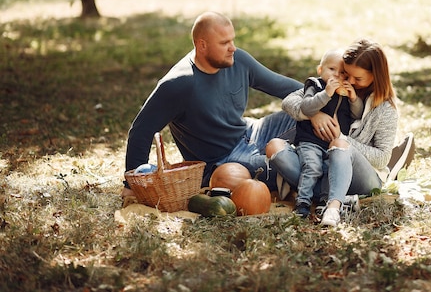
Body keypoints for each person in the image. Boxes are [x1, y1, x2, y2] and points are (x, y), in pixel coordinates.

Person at [121, 11, 302, 199]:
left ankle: (304, 168)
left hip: (252, 132)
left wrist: (317, 102)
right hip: (224, 161)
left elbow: (283, 86)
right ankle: (309, 177)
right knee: (280, 166)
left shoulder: (238, 60)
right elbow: (141, 130)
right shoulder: (178, 84)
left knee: (308, 115)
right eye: (224, 43)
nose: (232, 48)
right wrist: (131, 183)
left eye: (232, 40)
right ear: (202, 45)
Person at [266, 38, 398, 226]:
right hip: (323, 165)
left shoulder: (385, 109)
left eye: (357, 78)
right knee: (274, 146)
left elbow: (382, 158)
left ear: (375, 76)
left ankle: (333, 207)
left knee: (338, 145)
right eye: (347, 74)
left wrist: (341, 138)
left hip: (361, 177)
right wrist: (314, 114)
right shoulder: (333, 85)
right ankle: (333, 195)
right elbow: (289, 101)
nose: (350, 81)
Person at [285, 49, 364, 218]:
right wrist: (326, 93)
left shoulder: (343, 93)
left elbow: (357, 115)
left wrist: (353, 99)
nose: (337, 75)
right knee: (312, 167)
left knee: (330, 170)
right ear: (320, 70)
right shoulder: (315, 85)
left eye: (342, 72)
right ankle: (303, 202)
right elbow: (306, 107)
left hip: (331, 144)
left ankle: (324, 201)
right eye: (332, 69)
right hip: (310, 141)